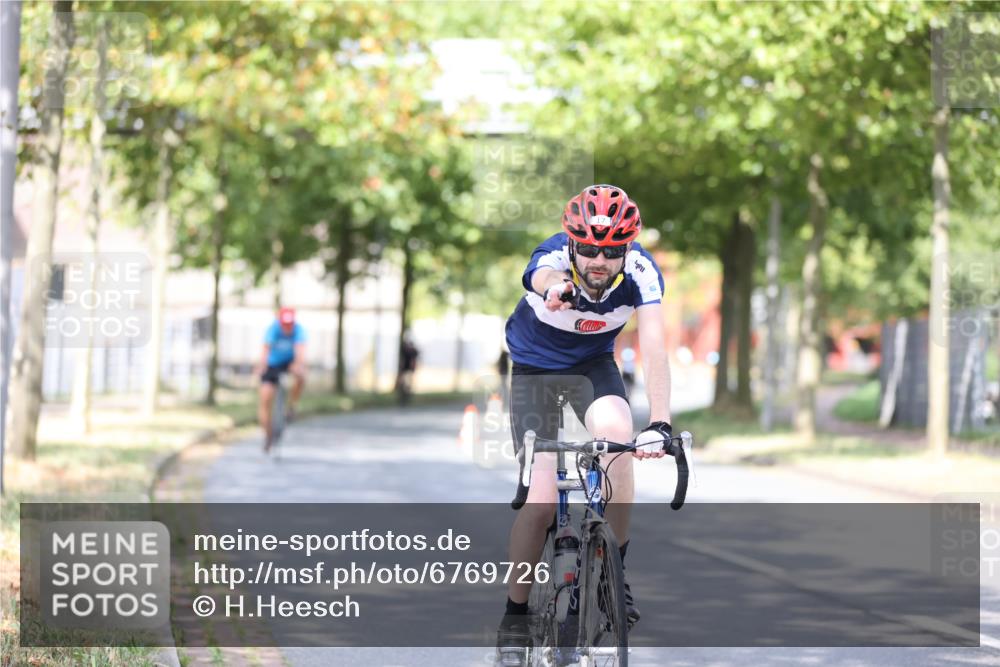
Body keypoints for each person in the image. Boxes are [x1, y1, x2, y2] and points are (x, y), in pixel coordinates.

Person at [496, 185, 673, 665]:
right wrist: (554, 287)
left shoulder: (640, 273)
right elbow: (541, 275)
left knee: (619, 436)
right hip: (534, 368)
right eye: (589, 248)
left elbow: (656, 345)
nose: (599, 259)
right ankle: (514, 617)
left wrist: (660, 422)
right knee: (540, 502)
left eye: (612, 250)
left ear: (627, 248)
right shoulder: (553, 257)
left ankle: (613, 567)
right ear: (572, 242)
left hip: (593, 365)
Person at [255, 307, 307, 452]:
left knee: (301, 376)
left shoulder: (299, 330)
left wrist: (298, 365)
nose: (287, 327)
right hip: (272, 365)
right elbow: (265, 350)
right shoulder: (273, 329)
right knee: (265, 398)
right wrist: (262, 366)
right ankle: (268, 435)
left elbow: (300, 351)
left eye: (289, 324)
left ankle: (292, 406)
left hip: (289, 363)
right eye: (284, 324)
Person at [396, 331, 419, 405]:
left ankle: (407, 396)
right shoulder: (404, 349)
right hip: (405, 369)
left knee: (408, 383)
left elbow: (414, 361)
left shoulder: (413, 351)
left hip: (409, 369)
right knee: (404, 383)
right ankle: (403, 396)